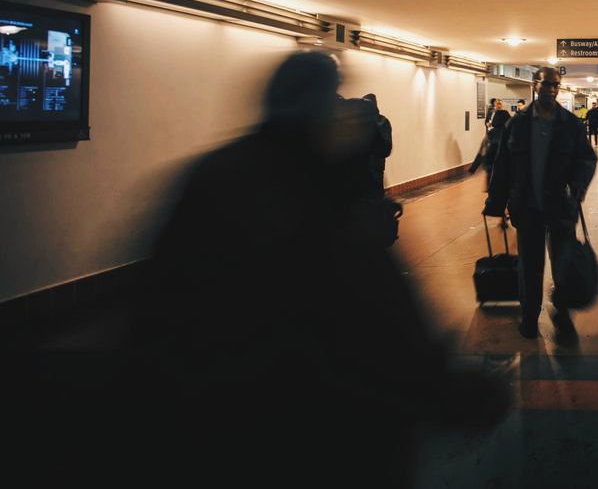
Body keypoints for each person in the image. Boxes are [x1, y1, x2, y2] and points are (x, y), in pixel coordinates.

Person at [134, 52, 510, 486]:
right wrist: (451, 393)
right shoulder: (331, 197)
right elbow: (382, 317)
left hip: (219, 426)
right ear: (320, 112)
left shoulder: (210, 178)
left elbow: (159, 308)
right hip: (336, 435)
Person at [484, 67, 597, 345]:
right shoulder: (518, 123)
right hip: (527, 207)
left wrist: (578, 188)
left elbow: (587, 159)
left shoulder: (570, 123)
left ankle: (563, 314)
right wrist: (496, 205)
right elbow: (502, 165)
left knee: (562, 266)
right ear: (535, 85)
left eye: (556, 86)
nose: (552, 90)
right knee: (529, 267)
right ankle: (529, 317)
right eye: (547, 85)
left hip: (560, 209)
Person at [362, 92, 393, 191]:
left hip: (368, 164)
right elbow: (386, 147)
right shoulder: (384, 120)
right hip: (379, 163)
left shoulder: (366, 122)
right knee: (378, 190)